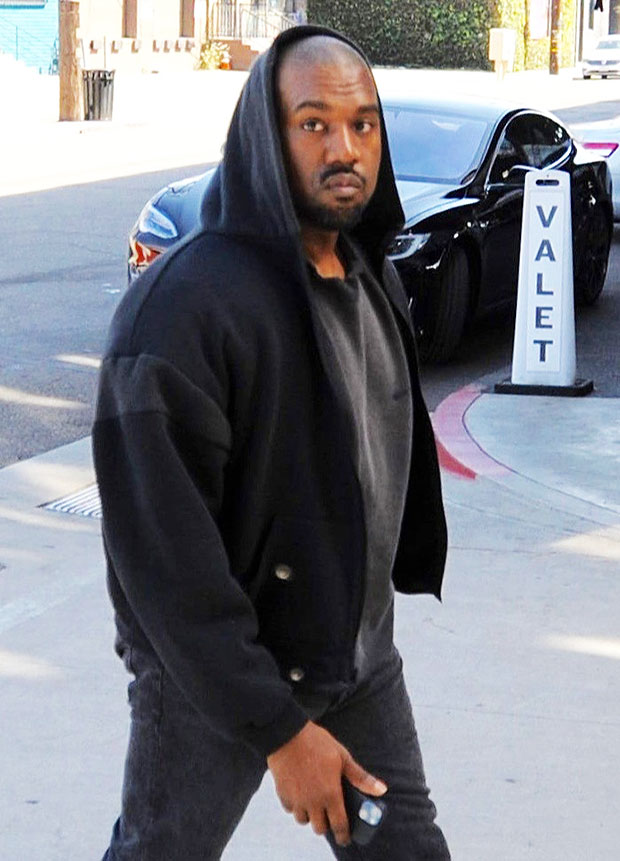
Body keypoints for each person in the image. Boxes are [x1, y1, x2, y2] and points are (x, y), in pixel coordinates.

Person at [94, 24, 450, 860]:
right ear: (265, 136)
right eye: (313, 123)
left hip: (353, 651)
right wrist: (281, 731)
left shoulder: (371, 276)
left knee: (407, 850)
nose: (345, 148)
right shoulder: (183, 309)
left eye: (363, 124)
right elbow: (162, 560)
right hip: (212, 669)